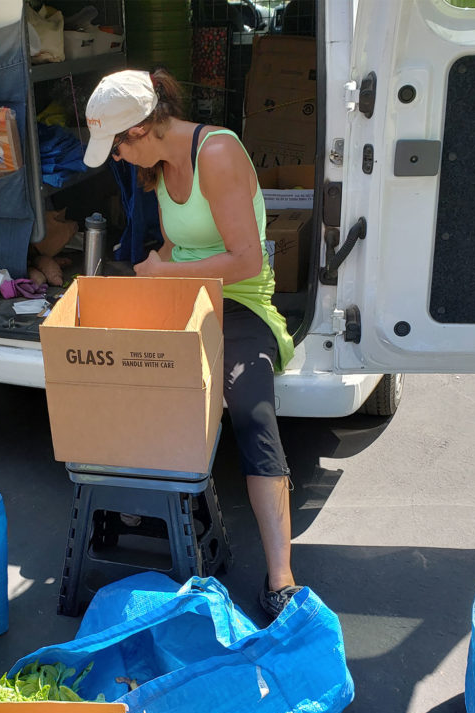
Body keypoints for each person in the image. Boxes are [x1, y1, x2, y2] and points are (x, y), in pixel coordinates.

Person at [82, 68, 301, 618]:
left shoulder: (219, 153)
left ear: (141, 130)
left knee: (250, 410)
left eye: (116, 148)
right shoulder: (157, 168)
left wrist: (161, 278)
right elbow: (174, 248)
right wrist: (153, 278)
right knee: (122, 370)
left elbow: (247, 260)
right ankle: (139, 506)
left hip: (240, 300)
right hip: (183, 294)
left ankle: (281, 578)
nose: (117, 160)